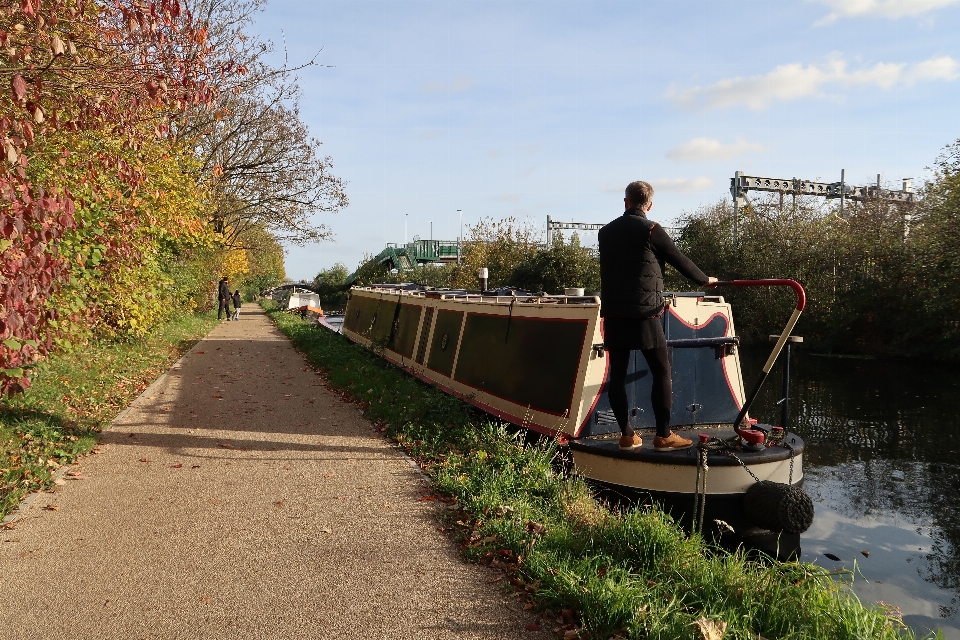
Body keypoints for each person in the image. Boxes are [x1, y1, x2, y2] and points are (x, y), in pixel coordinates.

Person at [597, 181, 718, 451]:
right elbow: (678, 257)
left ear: (626, 201)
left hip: (614, 313)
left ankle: (627, 435)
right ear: (649, 205)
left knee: (616, 374)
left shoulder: (605, 233)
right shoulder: (651, 229)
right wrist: (704, 280)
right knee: (662, 370)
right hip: (644, 314)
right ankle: (663, 436)